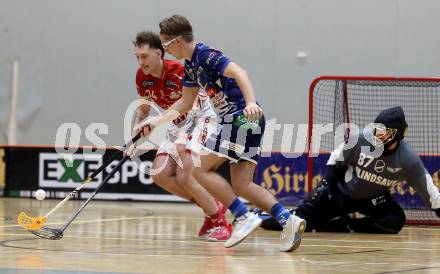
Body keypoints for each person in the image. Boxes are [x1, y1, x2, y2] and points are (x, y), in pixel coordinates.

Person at [135, 15, 306, 252]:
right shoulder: (191, 67)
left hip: (239, 116)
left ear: (177, 40)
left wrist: (250, 102)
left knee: (197, 169)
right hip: (247, 121)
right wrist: (157, 120)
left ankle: (242, 216)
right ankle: (288, 219)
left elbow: (240, 73)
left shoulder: (206, 55)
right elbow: (184, 103)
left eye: (165, 44)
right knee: (243, 184)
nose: (165, 49)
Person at [129, 31, 231, 241]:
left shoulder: (178, 70)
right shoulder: (142, 77)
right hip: (176, 125)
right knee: (160, 174)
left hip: (201, 119)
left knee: (186, 176)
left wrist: (179, 133)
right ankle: (210, 206)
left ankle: (220, 220)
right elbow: (143, 112)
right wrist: (134, 140)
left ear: (159, 54)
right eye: (137, 57)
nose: (140, 62)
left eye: (144, 56)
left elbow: (191, 107)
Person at [293, 106, 440, 233]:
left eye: (384, 132)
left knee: (395, 220)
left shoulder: (409, 160)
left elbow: (432, 194)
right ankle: (284, 215)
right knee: (301, 219)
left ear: (398, 135)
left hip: (374, 200)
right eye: (376, 129)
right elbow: (335, 159)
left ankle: (348, 225)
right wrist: (331, 190)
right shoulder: (359, 138)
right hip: (343, 194)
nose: (377, 135)